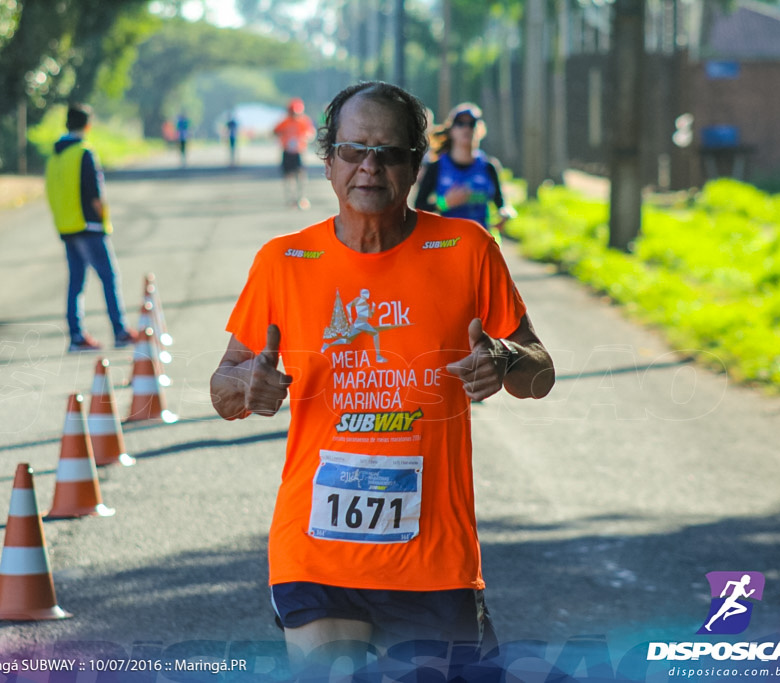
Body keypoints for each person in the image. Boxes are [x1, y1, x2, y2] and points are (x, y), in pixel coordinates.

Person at [210, 82, 555, 679]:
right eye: (353, 149)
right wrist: (247, 387)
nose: (370, 166)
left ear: (417, 165)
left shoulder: (466, 249)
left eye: (390, 152)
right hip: (315, 551)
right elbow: (224, 388)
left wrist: (504, 359)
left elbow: (540, 370)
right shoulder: (283, 262)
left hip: (433, 559)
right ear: (327, 161)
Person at [44, 103, 137, 352]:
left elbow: (50, 191)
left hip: (67, 227)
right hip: (90, 225)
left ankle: (76, 336)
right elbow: (95, 193)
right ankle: (120, 331)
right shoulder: (84, 152)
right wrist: (104, 216)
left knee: (76, 283)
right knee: (109, 277)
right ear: (88, 125)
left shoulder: (55, 155)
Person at [414, 102, 515, 234]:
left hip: (481, 243)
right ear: (451, 130)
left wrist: (505, 213)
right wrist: (444, 203)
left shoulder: (488, 166)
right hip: (448, 245)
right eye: (460, 123)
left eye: (472, 123)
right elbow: (418, 207)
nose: (466, 128)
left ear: (480, 130)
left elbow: (501, 203)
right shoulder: (437, 167)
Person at [272, 97, 316, 210]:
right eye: (292, 112)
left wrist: (306, 138)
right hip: (287, 151)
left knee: (300, 175)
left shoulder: (304, 121)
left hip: (299, 151)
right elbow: (275, 131)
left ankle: (301, 198)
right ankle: (291, 199)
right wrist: (281, 135)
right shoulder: (284, 122)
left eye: (296, 112)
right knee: (288, 176)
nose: (294, 114)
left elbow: (311, 133)